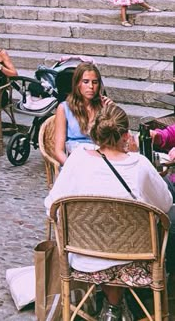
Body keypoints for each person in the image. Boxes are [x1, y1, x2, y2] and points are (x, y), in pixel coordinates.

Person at [45, 103, 173, 321]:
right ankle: (121, 303)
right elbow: (165, 204)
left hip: (83, 258)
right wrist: (132, 154)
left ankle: (113, 304)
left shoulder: (76, 160)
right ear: (125, 135)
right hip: (135, 260)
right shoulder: (140, 164)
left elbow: (51, 206)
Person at [54, 62, 110, 165]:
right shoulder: (64, 108)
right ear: (77, 84)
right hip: (75, 162)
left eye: (95, 82)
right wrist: (71, 168)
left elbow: (116, 141)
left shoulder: (104, 106)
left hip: (101, 160)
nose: (91, 86)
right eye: (85, 82)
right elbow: (58, 151)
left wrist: (112, 111)